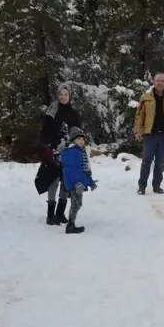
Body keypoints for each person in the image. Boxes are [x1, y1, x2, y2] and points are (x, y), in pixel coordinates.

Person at [133, 72, 164, 195]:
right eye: (157, 81)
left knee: (160, 162)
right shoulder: (145, 98)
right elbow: (139, 115)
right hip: (150, 134)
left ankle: (157, 186)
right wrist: (138, 130)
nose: (160, 83)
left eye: (162, 81)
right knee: (146, 161)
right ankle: (142, 186)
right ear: (154, 82)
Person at [39, 84, 81, 225]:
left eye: (66, 94)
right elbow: (45, 131)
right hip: (53, 149)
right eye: (61, 94)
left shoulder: (73, 113)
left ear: (70, 96)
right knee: (54, 180)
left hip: (70, 150)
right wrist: (47, 148)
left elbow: (79, 131)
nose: (63, 97)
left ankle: (60, 213)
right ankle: (50, 214)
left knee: (66, 181)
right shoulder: (52, 111)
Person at [57, 127, 96, 234]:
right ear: (73, 140)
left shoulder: (78, 151)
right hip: (75, 183)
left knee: (77, 203)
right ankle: (70, 225)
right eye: (78, 139)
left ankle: (71, 224)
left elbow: (82, 169)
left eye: (82, 139)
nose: (81, 141)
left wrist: (89, 181)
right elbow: (72, 170)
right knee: (76, 203)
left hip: (78, 182)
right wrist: (77, 183)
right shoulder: (72, 152)